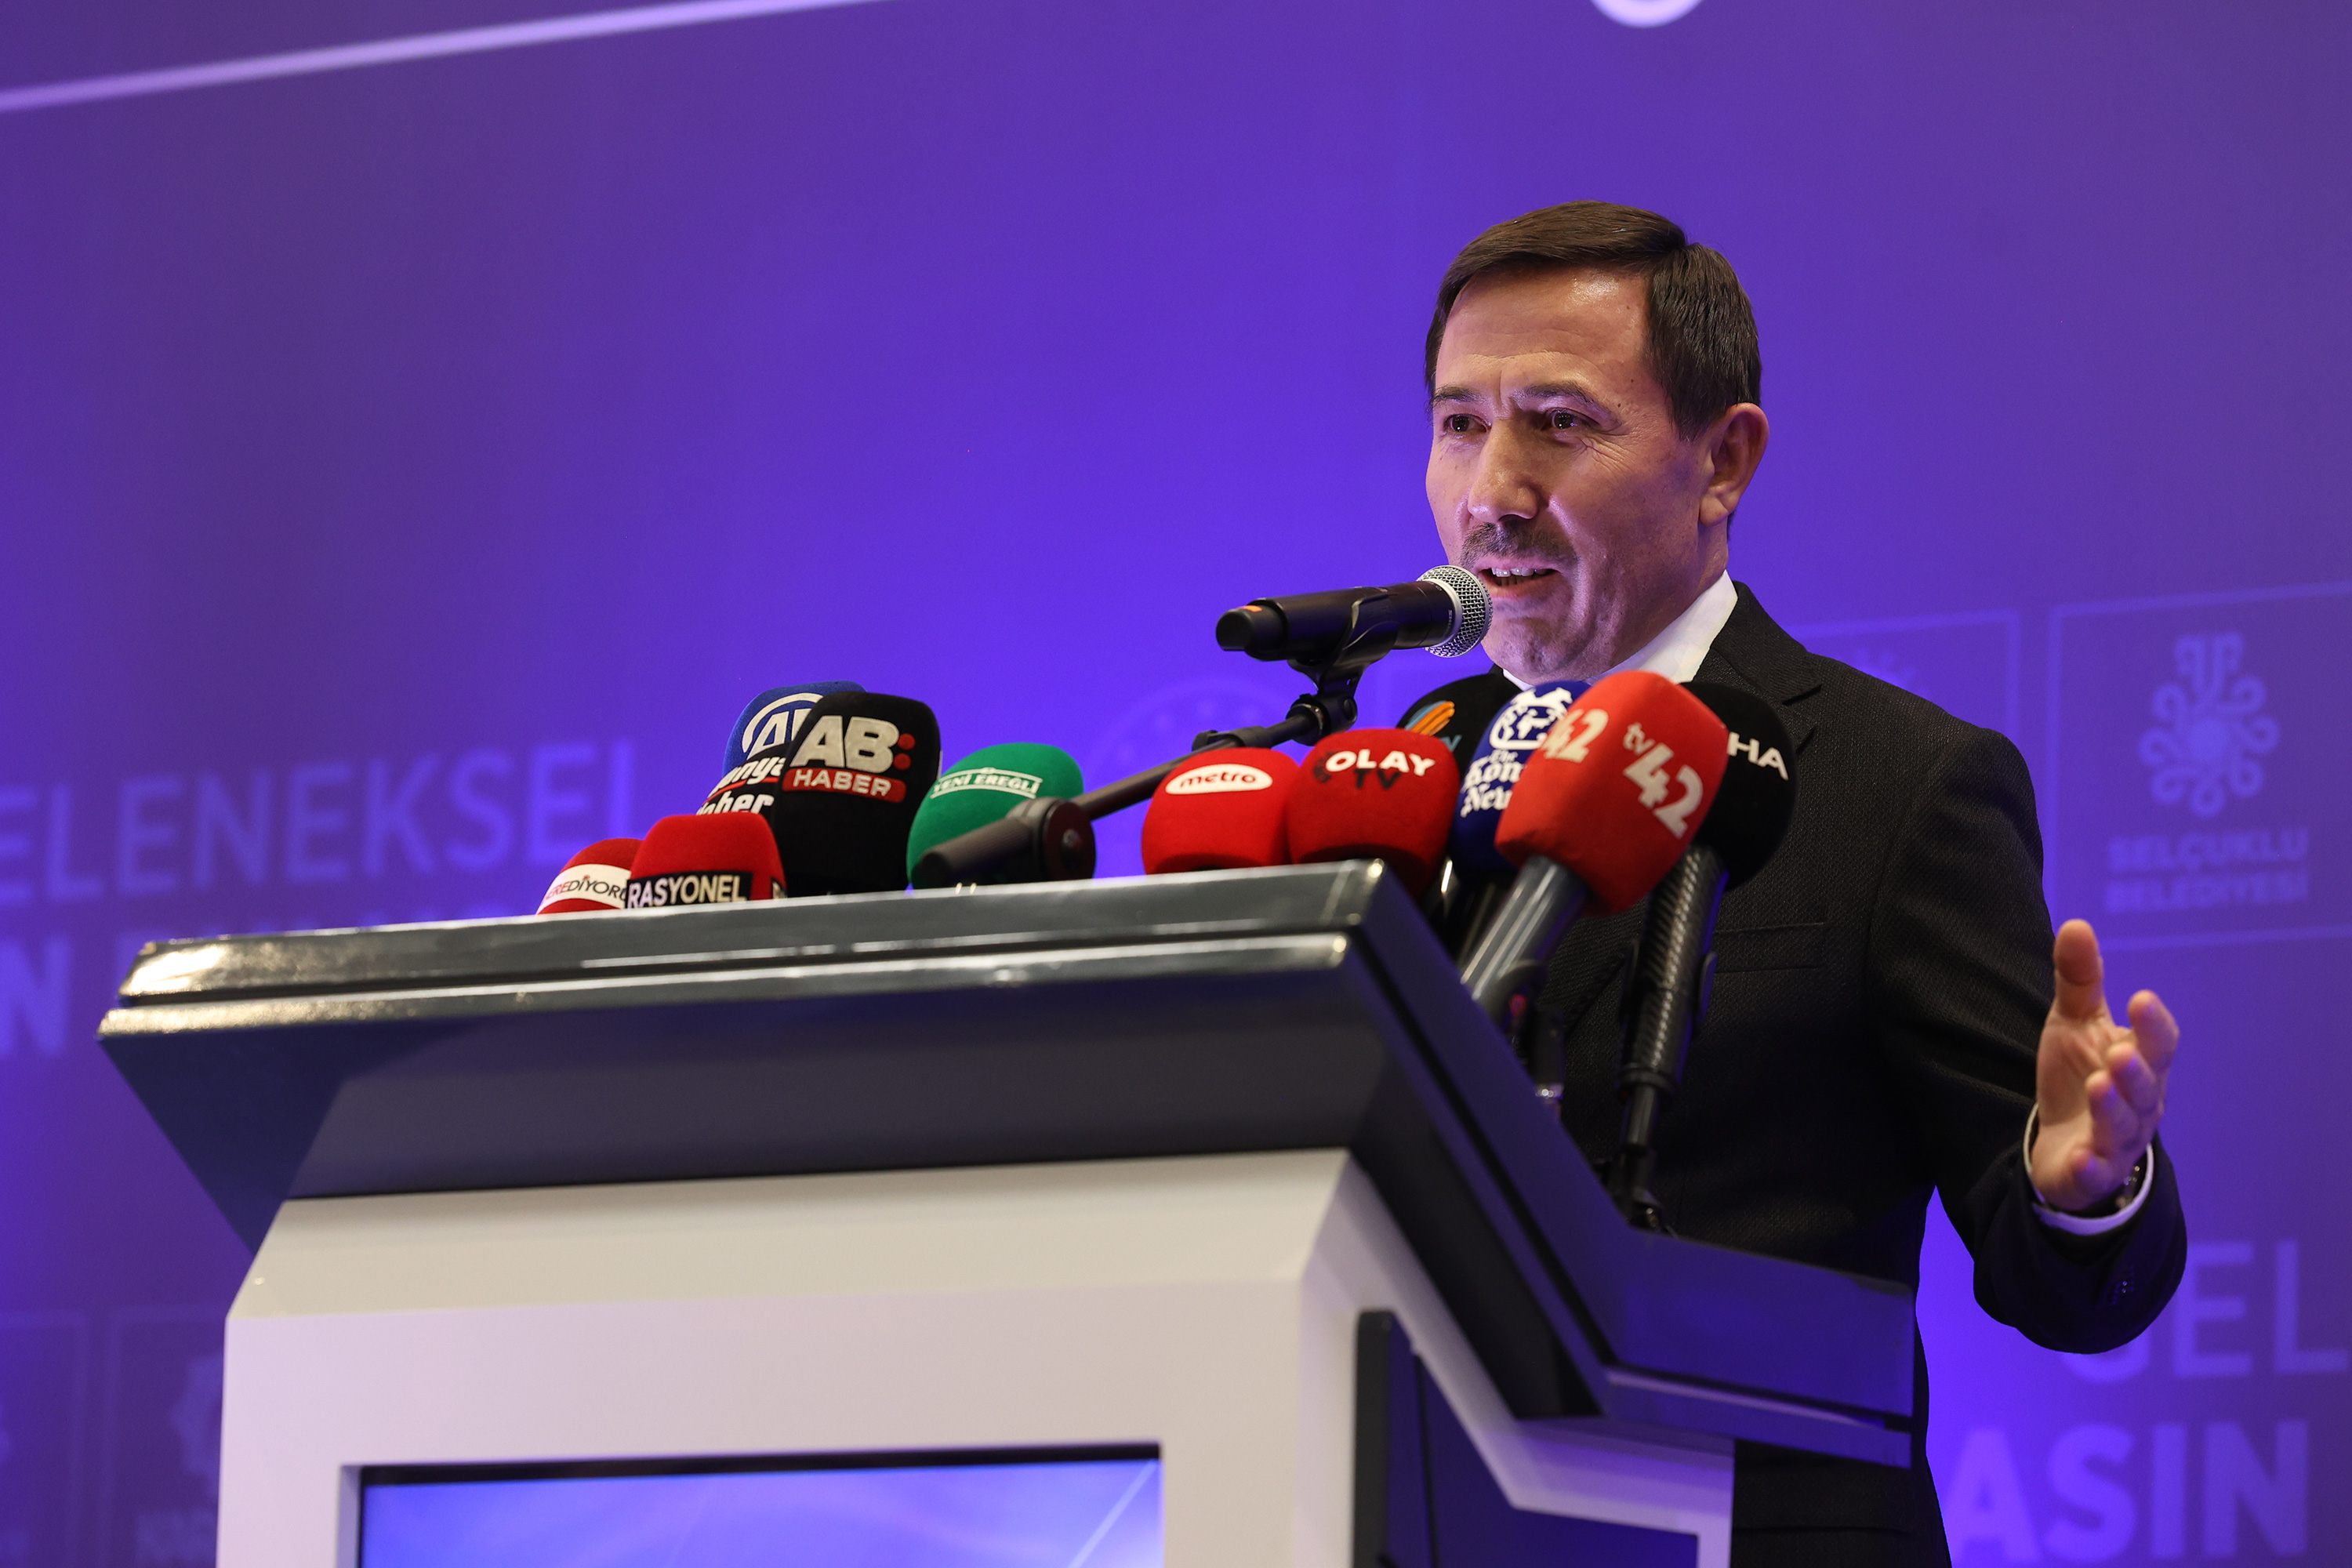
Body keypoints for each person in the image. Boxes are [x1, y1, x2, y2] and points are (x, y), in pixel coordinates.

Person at [1398, 202, 2186, 1568]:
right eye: (1460, 424)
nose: (1493, 492)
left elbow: (2062, 1284)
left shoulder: (1897, 783)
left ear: (1724, 461)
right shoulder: (1404, 776)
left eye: (1560, 424)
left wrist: (2083, 1188)